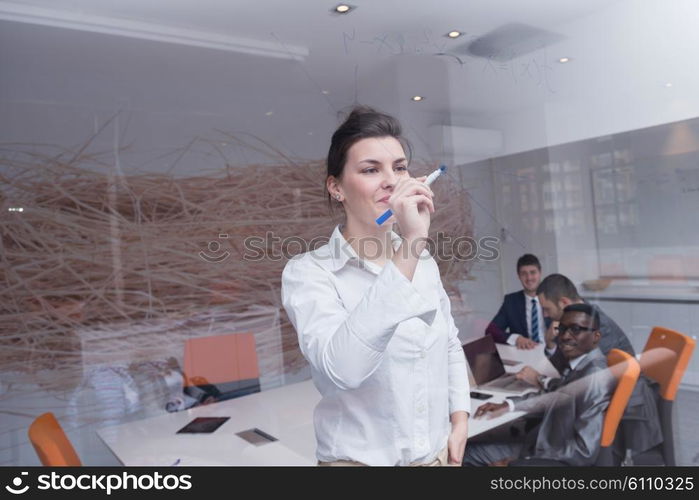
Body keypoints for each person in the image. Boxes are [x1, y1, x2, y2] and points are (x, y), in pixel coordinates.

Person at [281, 106, 470, 466]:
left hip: (438, 458)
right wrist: (413, 243)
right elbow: (345, 371)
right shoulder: (309, 273)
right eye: (371, 170)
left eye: (399, 167)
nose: (392, 180)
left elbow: (448, 342)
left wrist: (460, 418)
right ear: (336, 187)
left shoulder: (423, 264)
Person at [515, 273, 662, 459]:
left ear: (564, 303)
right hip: (599, 397)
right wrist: (551, 345)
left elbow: (575, 381)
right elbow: (568, 369)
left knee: (537, 425)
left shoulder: (597, 329)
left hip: (623, 409)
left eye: (547, 309)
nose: (545, 315)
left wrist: (540, 380)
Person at [463, 304, 616, 466]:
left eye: (576, 329)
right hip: (544, 439)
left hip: (545, 453)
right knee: (478, 440)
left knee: (468, 453)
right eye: (562, 329)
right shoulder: (582, 364)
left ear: (596, 336)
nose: (565, 336)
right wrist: (509, 405)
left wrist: (524, 462)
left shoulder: (593, 378)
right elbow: (553, 396)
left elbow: (584, 451)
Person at [485, 254, 549, 349]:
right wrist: (516, 338)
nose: (529, 278)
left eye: (533, 272)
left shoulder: (553, 297)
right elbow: (491, 331)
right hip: (525, 353)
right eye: (524, 274)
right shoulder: (511, 301)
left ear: (540, 273)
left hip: (552, 352)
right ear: (518, 276)